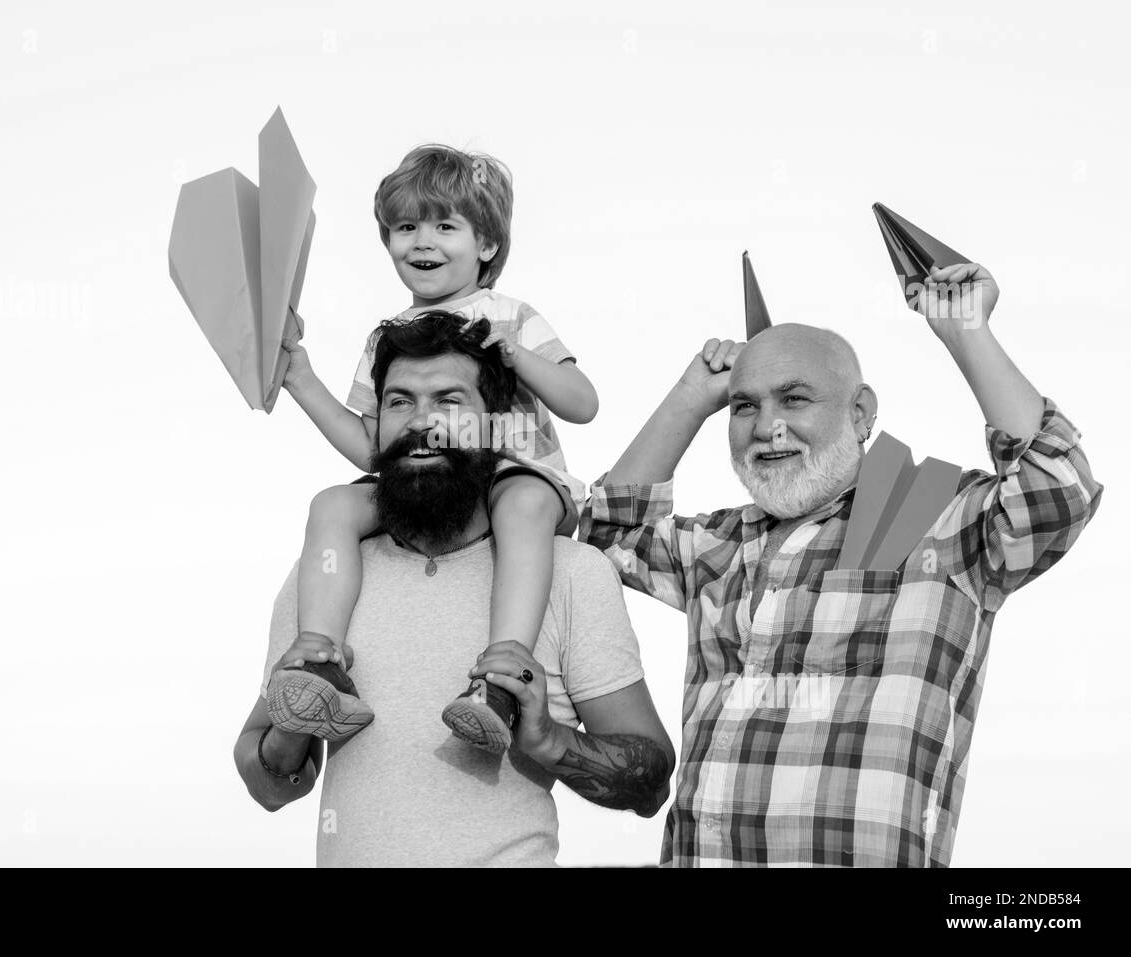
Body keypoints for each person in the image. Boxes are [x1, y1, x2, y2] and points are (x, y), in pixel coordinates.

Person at [580, 262, 1101, 866]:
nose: (767, 427)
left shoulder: (936, 513)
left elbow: (1057, 490)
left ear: (859, 414)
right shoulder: (720, 544)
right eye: (744, 407)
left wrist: (966, 332)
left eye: (795, 398)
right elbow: (602, 535)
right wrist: (690, 400)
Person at [234, 311, 673, 867]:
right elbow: (267, 786)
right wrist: (288, 735)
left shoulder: (570, 572)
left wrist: (548, 740)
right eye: (398, 402)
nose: (421, 423)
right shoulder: (326, 572)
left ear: (495, 423)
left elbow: (651, 785)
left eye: (448, 400)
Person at [271, 145, 597, 754]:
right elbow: (373, 450)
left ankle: (500, 677)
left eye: (445, 225)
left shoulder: (512, 315)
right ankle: (322, 665)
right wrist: (299, 379)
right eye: (405, 227)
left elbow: (582, 403)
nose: (423, 241)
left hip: (512, 473)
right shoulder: (387, 338)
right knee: (331, 505)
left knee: (520, 506)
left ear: (488, 245)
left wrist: (516, 355)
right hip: (425, 481)